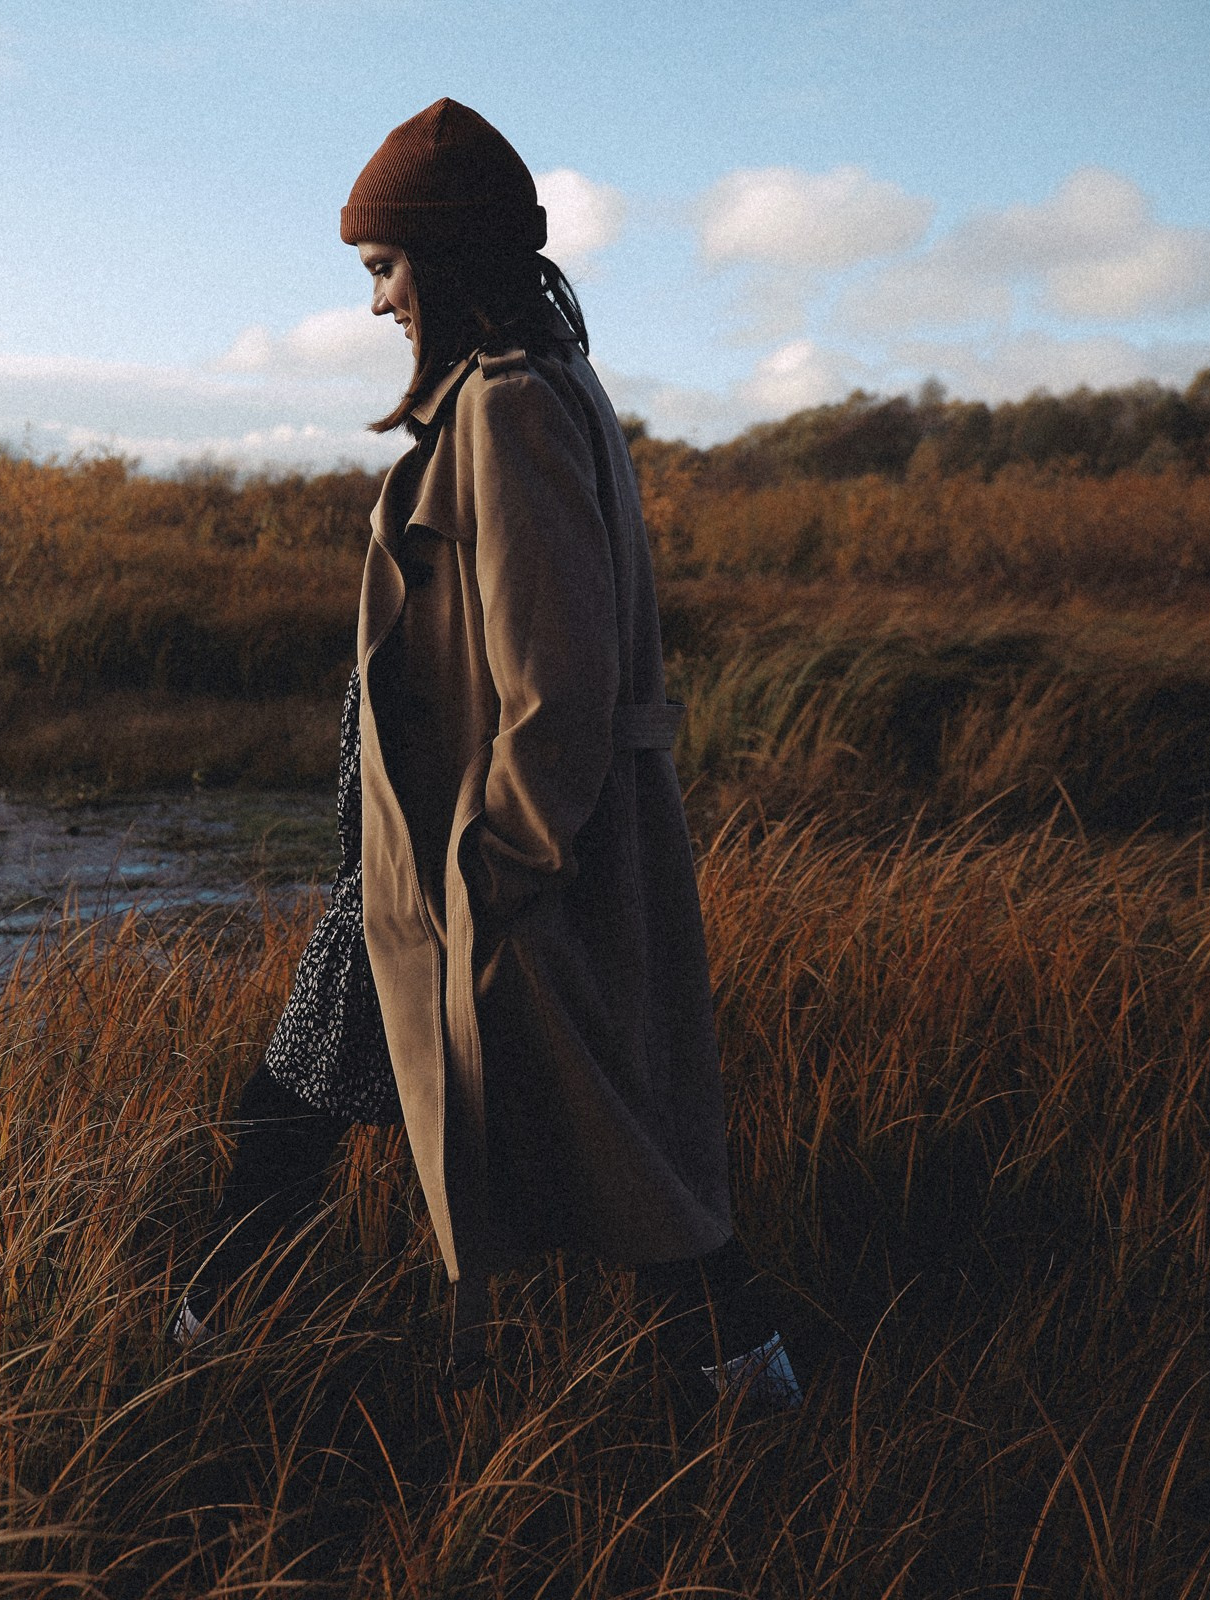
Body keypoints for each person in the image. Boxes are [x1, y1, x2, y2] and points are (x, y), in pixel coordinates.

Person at [177, 98, 799, 1408]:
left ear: (448, 260)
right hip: (432, 877)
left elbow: (558, 683)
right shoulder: (533, 393)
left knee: (623, 1154)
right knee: (331, 1104)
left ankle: (205, 1351)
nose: (375, 305)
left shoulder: (509, 412)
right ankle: (222, 1331)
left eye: (384, 269)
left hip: (486, 873)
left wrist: (489, 867)